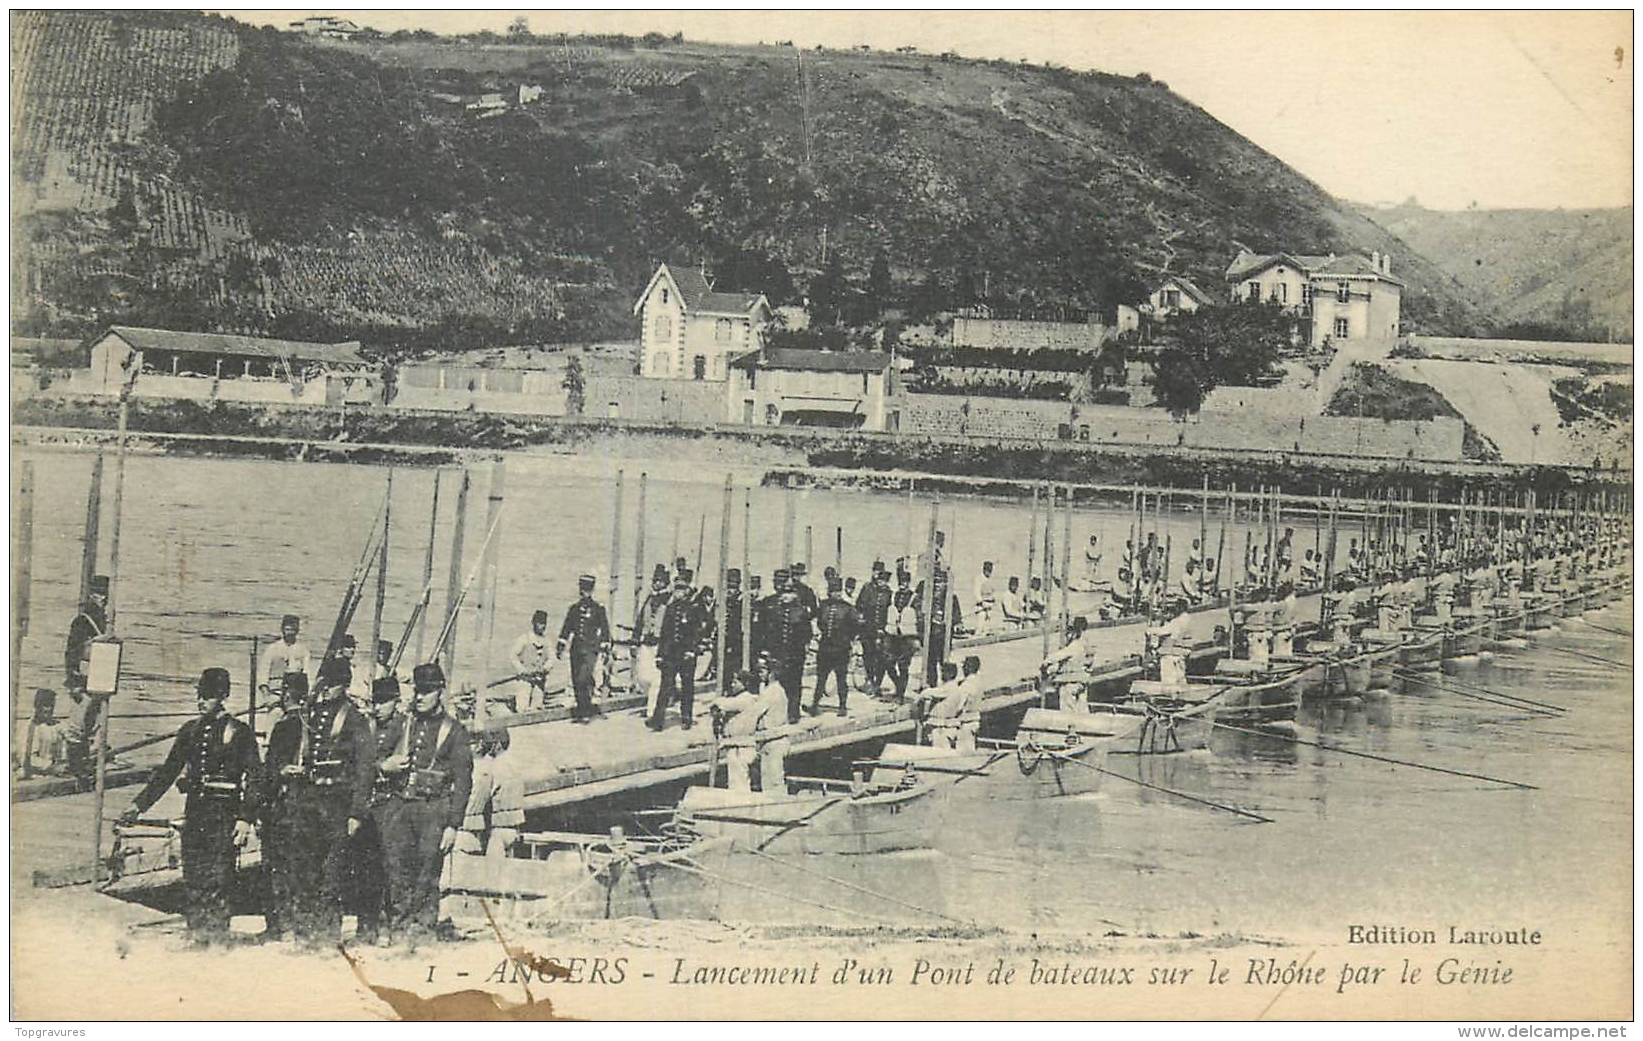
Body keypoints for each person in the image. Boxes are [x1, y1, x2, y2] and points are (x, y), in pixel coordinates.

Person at [118, 668, 263, 946]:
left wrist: (245, 819)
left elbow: (256, 777)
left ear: (222, 696)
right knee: (194, 876)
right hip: (196, 814)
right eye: (200, 695)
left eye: (207, 696)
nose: (201, 701)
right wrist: (139, 805)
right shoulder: (190, 731)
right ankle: (197, 935)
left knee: (220, 878)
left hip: (224, 815)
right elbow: (167, 771)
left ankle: (217, 938)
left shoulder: (239, 732)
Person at [263, 656, 373, 948]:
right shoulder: (310, 715)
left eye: (334, 684)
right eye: (324, 682)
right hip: (309, 802)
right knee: (304, 869)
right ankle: (304, 932)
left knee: (332, 874)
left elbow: (364, 768)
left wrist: (356, 813)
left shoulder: (354, 719)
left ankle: (327, 935)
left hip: (338, 801)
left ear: (345, 685)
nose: (327, 689)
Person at [373, 662, 473, 943]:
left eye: (427, 691)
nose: (420, 697)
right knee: (396, 869)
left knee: (427, 872)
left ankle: (423, 929)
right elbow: (373, 755)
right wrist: (385, 765)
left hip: (433, 810)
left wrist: (454, 825)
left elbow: (463, 782)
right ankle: (400, 926)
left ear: (440, 692)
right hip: (401, 806)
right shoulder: (403, 724)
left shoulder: (453, 731)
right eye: (418, 691)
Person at [349, 676, 403, 946]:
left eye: (384, 701)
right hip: (369, 804)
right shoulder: (365, 727)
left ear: (397, 701)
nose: (378, 707)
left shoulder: (404, 728)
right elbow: (358, 764)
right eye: (375, 701)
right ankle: (365, 926)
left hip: (393, 804)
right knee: (365, 867)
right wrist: (382, 766)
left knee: (391, 867)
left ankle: (387, 925)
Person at [712, 665, 791, 793]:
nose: (732, 685)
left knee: (747, 783)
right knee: (765, 780)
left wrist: (718, 702)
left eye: (735, 682)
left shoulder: (757, 696)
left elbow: (723, 704)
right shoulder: (767, 692)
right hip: (760, 742)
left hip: (752, 744)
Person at [649, 571, 702, 731]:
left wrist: (692, 651)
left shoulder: (693, 608)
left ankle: (686, 718)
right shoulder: (670, 608)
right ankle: (658, 720)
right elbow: (665, 633)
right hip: (670, 655)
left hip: (686, 656)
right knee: (665, 687)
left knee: (687, 688)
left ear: (687, 590)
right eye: (676, 588)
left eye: (682, 588)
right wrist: (659, 655)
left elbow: (696, 633)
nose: (678, 591)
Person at [761, 569, 813, 724]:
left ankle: (793, 713)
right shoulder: (770, 605)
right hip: (776, 652)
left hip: (795, 653)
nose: (785, 597)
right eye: (783, 593)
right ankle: (773, 714)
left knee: (794, 684)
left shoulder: (800, 611)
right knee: (773, 684)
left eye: (788, 593)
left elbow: (806, 632)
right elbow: (764, 630)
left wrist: (804, 647)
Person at [557, 576, 612, 723]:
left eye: (587, 589)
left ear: (591, 590)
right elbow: (566, 629)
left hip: (591, 649)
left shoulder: (598, 609)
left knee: (584, 678)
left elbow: (605, 628)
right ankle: (582, 711)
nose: (584, 592)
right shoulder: (574, 609)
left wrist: (606, 644)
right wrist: (561, 645)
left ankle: (586, 709)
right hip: (576, 649)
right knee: (576, 680)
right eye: (582, 589)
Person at [811, 574, 860, 717]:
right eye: (833, 591)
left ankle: (842, 706)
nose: (836, 594)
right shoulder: (823, 605)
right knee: (821, 678)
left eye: (838, 591)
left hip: (841, 649)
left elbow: (856, 626)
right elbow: (820, 622)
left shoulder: (848, 608)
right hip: (825, 648)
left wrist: (848, 639)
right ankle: (815, 705)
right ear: (829, 592)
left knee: (841, 679)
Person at [634, 566, 670, 720]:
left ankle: (651, 711)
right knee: (642, 677)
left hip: (659, 644)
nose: (656, 584)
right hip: (646, 643)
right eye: (655, 580)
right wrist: (635, 642)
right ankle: (651, 702)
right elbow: (640, 621)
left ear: (665, 583)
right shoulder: (649, 599)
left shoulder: (669, 600)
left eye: (660, 581)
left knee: (656, 679)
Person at [927, 655, 983, 751]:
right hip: (974, 720)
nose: (963, 669)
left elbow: (959, 706)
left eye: (964, 666)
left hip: (966, 723)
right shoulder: (978, 681)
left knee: (963, 752)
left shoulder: (967, 685)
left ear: (968, 668)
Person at [63, 575, 109, 692]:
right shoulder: (84, 620)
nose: (103, 599)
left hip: (92, 676)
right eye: (99, 594)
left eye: (104, 594)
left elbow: (71, 653)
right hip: (92, 677)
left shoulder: (101, 619)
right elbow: (73, 653)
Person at [260, 615, 313, 711]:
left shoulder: (303, 650)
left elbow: (307, 674)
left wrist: (306, 698)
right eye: (287, 629)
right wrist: (266, 696)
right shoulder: (272, 649)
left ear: (297, 631)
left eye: (293, 630)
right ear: (282, 629)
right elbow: (263, 673)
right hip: (275, 692)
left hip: (295, 694)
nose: (290, 633)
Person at [854, 566, 893, 695]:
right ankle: (870, 680)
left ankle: (877, 683)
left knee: (880, 657)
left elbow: (888, 611)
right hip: (867, 628)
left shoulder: (888, 593)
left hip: (881, 630)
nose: (881, 582)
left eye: (884, 581)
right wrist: (861, 620)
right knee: (868, 654)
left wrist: (884, 627)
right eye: (880, 580)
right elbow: (859, 605)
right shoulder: (868, 589)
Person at [509, 610, 554, 713]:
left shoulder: (547, 641)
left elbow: (552, 658)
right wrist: (522, 670)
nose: (542, 626)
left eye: (544, 624)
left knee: (537, 707)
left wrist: (545, 668)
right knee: (522, 707)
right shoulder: (524, 639)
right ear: (533, 623)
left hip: (539, 681)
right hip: (525, 680)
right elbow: (513, 656)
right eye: (539, 623)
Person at [883, 587, 921, 699]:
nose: (903, 585)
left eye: (905, 582)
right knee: (888, 663)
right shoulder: (894, 595)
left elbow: (920, 617)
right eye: (901, 582)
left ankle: (901, 694)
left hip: (908, 637)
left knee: (903, 666)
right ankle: (898, 685)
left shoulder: (914, 598)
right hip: (893, 636)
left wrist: (919, 638)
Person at [720, 569, 745, 685]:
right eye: (730, 585)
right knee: (723, 666)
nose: (732, 589)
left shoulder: (742, 600)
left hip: (737, 638)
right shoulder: (722, 599)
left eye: (734, 586)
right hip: (723, 637)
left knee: (735, 665)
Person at [972, 561, 998, 627]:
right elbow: (976, 593)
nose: (989, 572)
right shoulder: (979, 579)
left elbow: (993, 593)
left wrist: (994, 601)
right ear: (984, 569)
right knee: (980, 626)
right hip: (981, 607)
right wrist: (982, 603)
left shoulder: (990, 580)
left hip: (989, 606)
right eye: (987, 569)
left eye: (990, 570)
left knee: (989, 627)